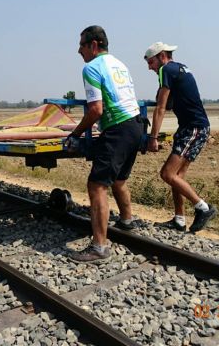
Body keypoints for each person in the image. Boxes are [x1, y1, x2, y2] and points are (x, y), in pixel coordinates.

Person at [68, 25, 144, 262]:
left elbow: (96, 110)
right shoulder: (120, 64)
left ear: (93, 45)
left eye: (81, 45)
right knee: (119, 178)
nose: (78, 50)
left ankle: (99, 247)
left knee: (97, 185)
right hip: (137, 124)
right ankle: (126, 220)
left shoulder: (91, 68)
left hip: (118, 128)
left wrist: (76, 133)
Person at [144, 42, 217, 232]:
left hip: (193, 128)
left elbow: (160, 108)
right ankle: (179, 220)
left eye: (151, 62)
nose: (149, 67)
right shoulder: (180, 68)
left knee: (167, 174)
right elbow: (170, 103)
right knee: (177, 176)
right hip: (194, 127)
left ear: (162, 56)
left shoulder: (166, 70)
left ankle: (203, 207)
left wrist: (153, 138)